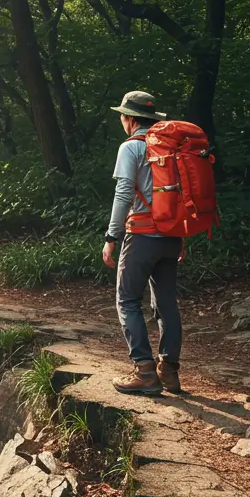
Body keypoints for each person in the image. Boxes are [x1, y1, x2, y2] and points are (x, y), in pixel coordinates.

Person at [101, 91, 182, 396]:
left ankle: (145, 371)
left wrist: (112, 237)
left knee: (127, 300)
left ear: (130, 119)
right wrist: (181, 236)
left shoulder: (131, 147)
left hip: (142, 235)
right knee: (166, 302)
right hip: (171, 235)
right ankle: (169, 371)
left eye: (122, 116)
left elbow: (124, 193)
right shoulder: (171, 147)